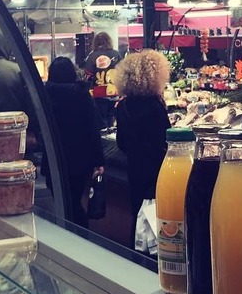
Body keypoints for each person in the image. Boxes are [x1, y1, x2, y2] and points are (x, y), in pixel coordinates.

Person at [41, 57, 105, 228]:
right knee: (75, 201)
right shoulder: (82, 96)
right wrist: (99, 161)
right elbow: (93, 129)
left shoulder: (44, 96)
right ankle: (80, 235)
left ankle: (67, 233)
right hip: (79, 160)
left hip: (53, 159)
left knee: (61, 202)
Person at [114, 50, 172, 223]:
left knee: (137, 212)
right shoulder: (155, 106)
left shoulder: (122, 106)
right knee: (158, 215)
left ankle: (135, 246)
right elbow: (165, 139)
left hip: (134, 168)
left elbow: (121, 142)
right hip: (157, 170)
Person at [84, 32, 121, 129]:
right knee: (111, 118)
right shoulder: (116, 54)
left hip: (99, 92)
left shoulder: (92, 55)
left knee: (101, 120)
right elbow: (123, 70)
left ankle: (105, 140)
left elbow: (88, 73)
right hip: (114, 91)